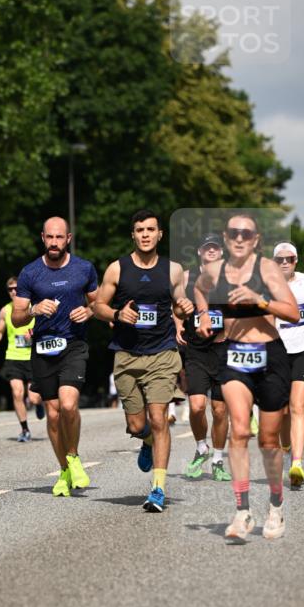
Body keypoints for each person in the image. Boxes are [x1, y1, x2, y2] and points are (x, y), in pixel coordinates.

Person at [194, 213, 299, 542]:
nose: (239, 238)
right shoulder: (214, 270)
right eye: (233, 233)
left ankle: (276, 504)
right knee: (239, 428)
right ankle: (241, 511)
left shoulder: (266, 269)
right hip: (235, 356)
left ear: (255, 240)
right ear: (226, 238)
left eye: (247, 233)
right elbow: (198, 288)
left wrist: (260, 300)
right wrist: (202, 315)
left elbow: (293, 312)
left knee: (268, 441)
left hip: (270, 356)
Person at [94, 209, 194, 512]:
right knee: (137, 425)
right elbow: (97, 305)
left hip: (163, 354)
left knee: (160, 418)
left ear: (160, 234)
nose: (146, 234)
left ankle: (158, 489)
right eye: (140, 230)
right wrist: (116, 314)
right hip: (127, 354)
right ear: (133, 235)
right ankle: (146, 440)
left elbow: (178, 306)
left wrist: (185, 307)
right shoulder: (117, 269)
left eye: (151, 229)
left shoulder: (173, 270)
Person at [12, 217, 98, 497]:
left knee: (69, 405)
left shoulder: (84, 268)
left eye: (59, 238)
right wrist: (34, 310)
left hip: (74, 344)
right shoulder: (30, 273)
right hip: (43, 348)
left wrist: (90, 312)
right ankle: (63, 470)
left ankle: (73, 457)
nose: (54, 243)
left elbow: (99, 303)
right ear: (42, 237)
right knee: (52, 413)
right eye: (49, 237)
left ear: (68, 238)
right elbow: (17, 316)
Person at [179, 233, 231, 482]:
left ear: (221, 252)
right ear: (200, 252)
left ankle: (218, 459)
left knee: (220, 410)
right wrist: (177, 323)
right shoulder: (187, 277)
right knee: (197, 406)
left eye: (215, 248)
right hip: (196, 350)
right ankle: (202, 447)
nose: (211, 251)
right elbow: (176, 305)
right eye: (206, 248)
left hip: (223, 349)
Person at [272, 242, 304, 488]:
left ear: (296, 260)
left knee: (298, 407)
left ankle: (297, 463)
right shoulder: (266, 285)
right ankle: (285, 447)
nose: (284, 263)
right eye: (279, 259)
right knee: (281, 411)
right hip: (278, 351)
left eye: (289, 259)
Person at [0, 276, 44, 441]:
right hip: (13, 357)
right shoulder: (5, 310)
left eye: (17, 288)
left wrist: (33, 334)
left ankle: (39, 404)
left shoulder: (34, 308)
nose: (14, 291)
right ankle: (25, 429)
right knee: (17, 392)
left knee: (33, 397)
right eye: (10, 289)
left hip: (33, 358)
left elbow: (46, 327)